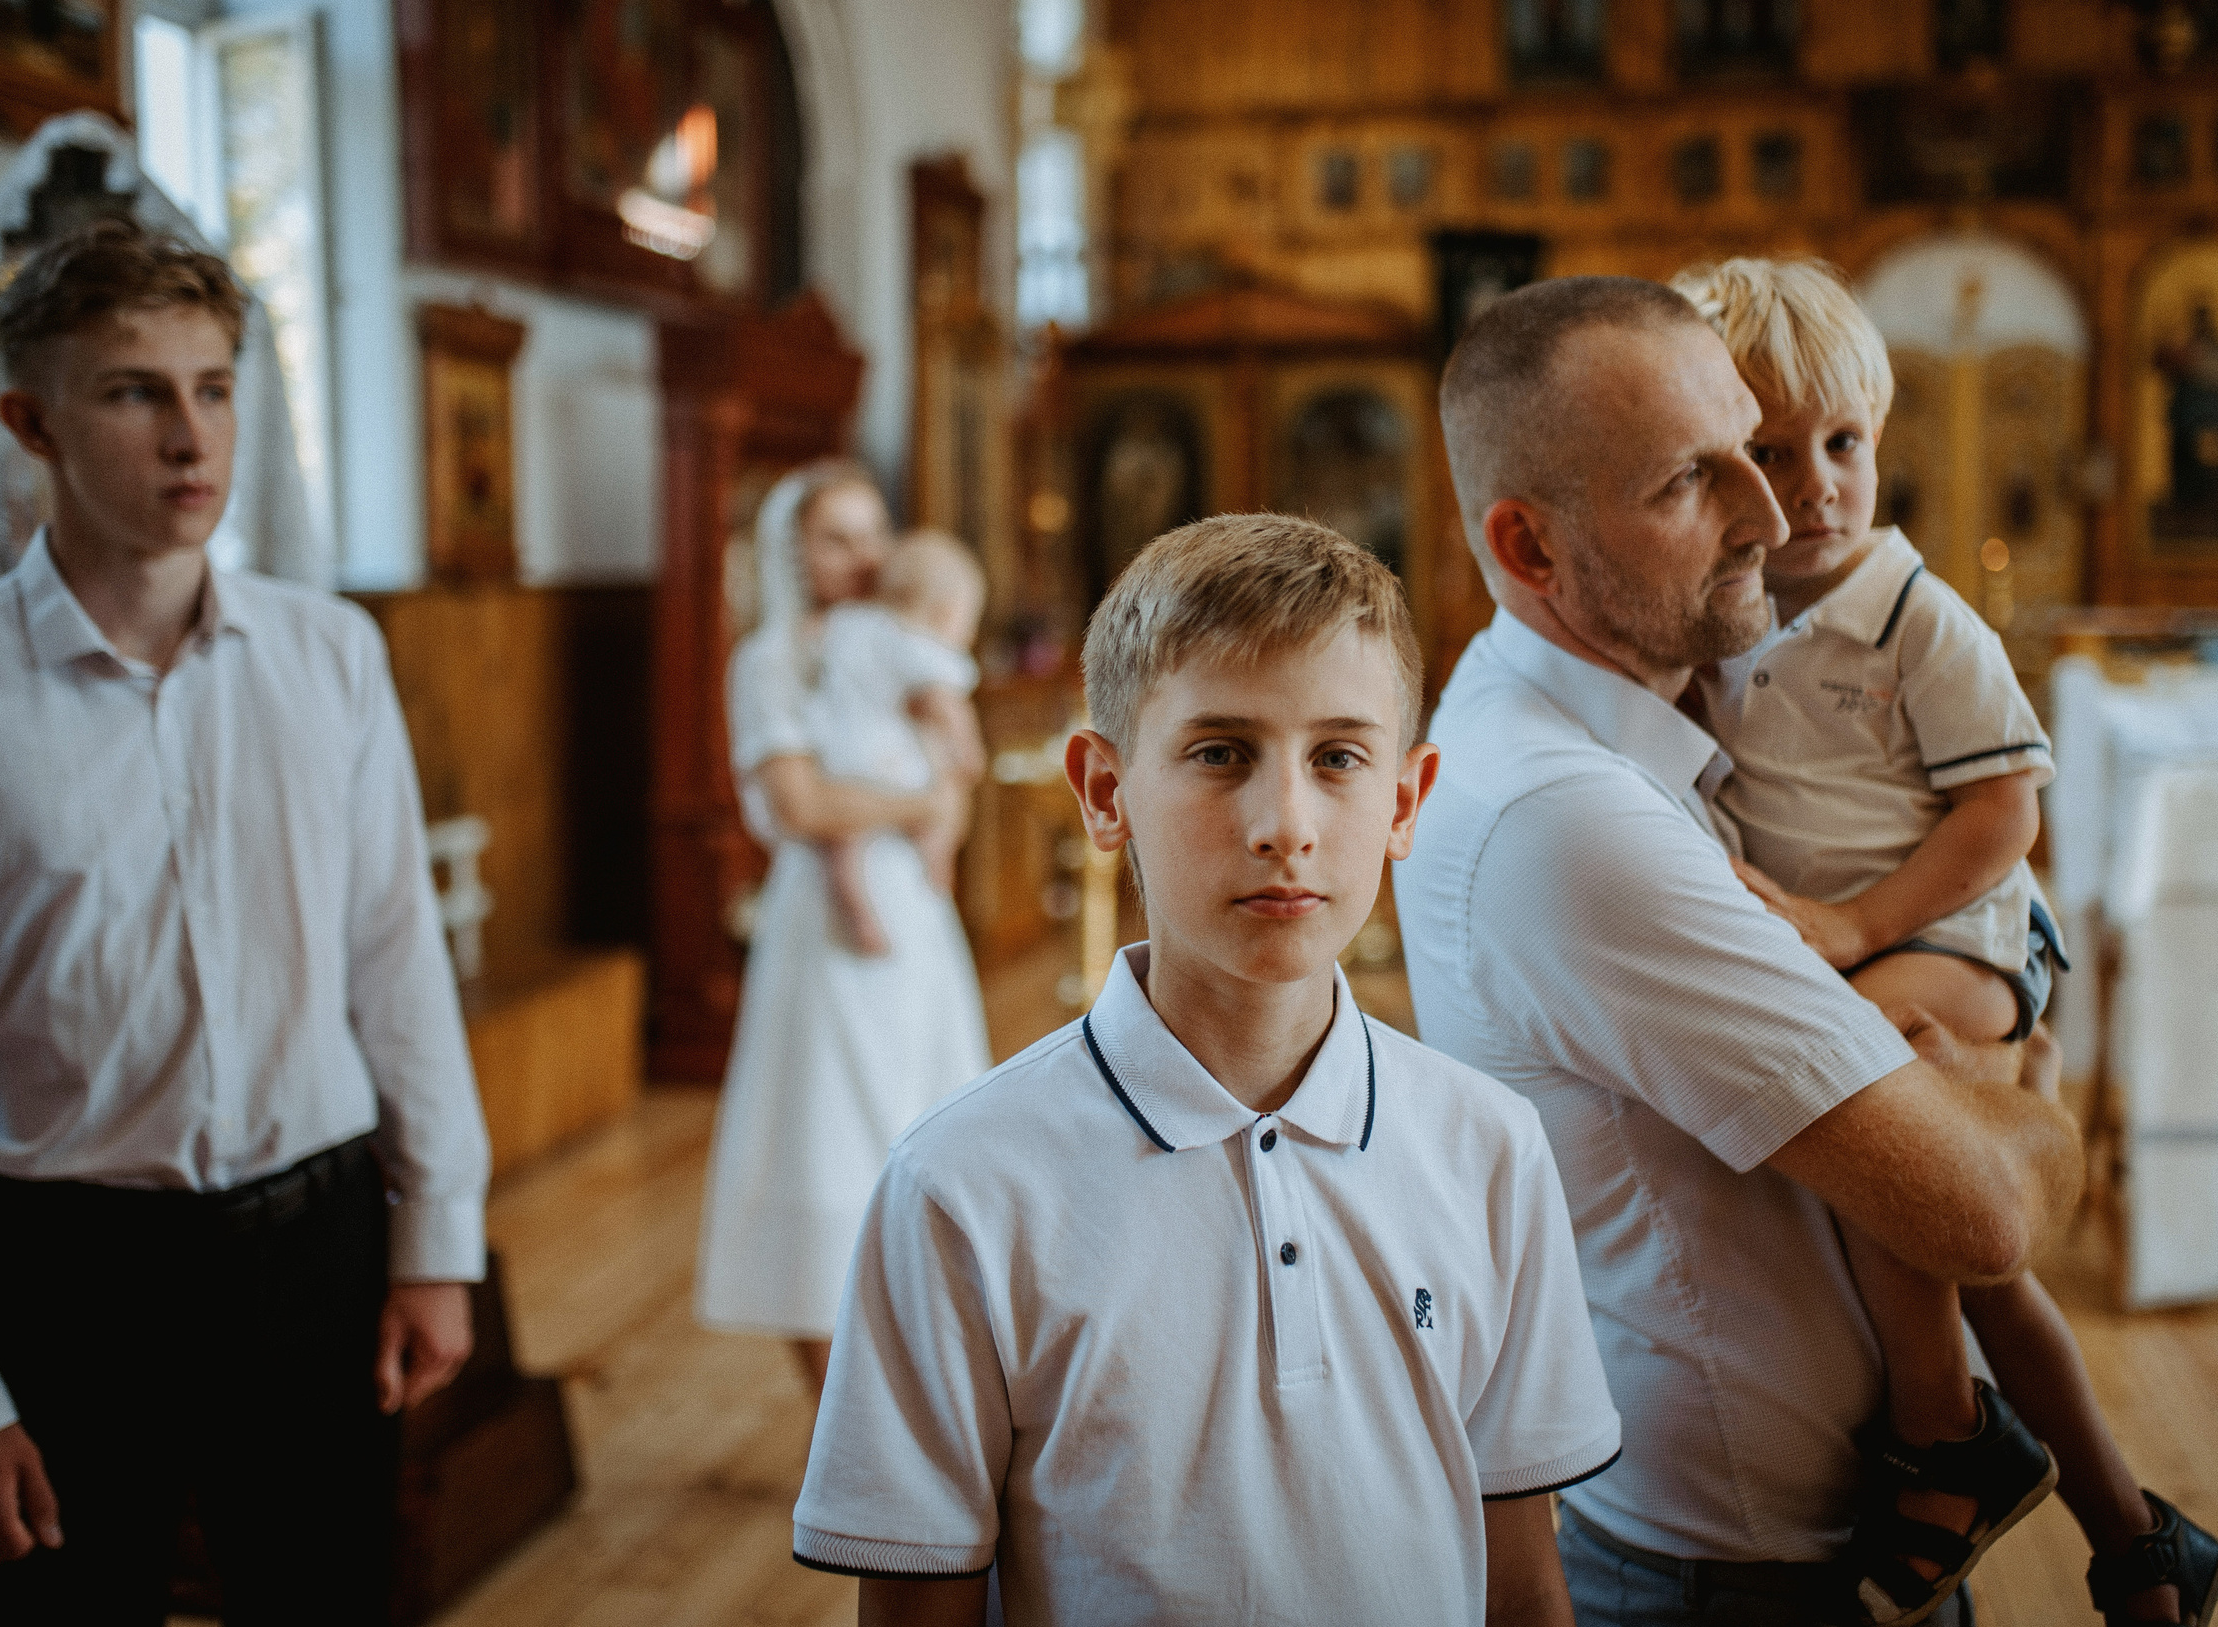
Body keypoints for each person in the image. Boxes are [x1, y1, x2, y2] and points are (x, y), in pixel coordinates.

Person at [1395, 275, 2101, 1627]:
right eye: (1692, 484)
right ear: (1531, 548)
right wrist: (2031, 1113)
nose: (1776, 518)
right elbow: (1983, 1212)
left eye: (1761, 447)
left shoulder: (1628, 723)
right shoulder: (1570, 818)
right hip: (1747, 1572)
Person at [792, 514, 1620, 1627]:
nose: (1285, 824)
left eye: (1338, 757)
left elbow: (1522, 1581)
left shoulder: (1488, 1147)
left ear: (1407, 801)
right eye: (1220, 751)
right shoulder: (960, 1186)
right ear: (1103, 788)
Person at [0, 219, 489, 1622]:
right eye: (132, 390)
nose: (189, 434)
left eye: (213, 387)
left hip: (319, 1242)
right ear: (29, 418)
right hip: (70, 1269)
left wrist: (437, 1237)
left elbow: (395, 954)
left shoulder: (331, 651)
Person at [1672, 257, 2218, 1627]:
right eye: (1770, 451)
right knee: (1963, 1242)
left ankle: (1944, 1432)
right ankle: (2136, 1534)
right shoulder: (1727, 617)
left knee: (1881, 1137)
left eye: (1846, 446)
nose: (1817, 487)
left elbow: (2004, 811)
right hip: (1857, 944)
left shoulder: (1919, 614)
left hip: (1957, 932)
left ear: (1882, 442)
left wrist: (1860, 924)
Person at [694, 464, 990, 1396]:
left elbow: (959, 782)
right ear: (795, 553)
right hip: (822, 933)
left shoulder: (899, 641)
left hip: (917, 922)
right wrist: (914, 801)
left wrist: (930, 810)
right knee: (822, 1148)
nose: (864, 556)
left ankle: (928, 1399)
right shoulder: (772, 658)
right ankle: (840, 1416)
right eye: (836, 539)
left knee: (929, 1131)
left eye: (873, 534)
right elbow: (799, 797)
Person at [813, 528, 988, 957]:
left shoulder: (851, 623)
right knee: (940, 800)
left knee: (845, 842)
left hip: (840, 749)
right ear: (946, 611)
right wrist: (969, 748)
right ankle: (939, 858)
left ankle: (856, 907)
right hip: (891, 757)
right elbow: (942, 701)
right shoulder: (919, 644)